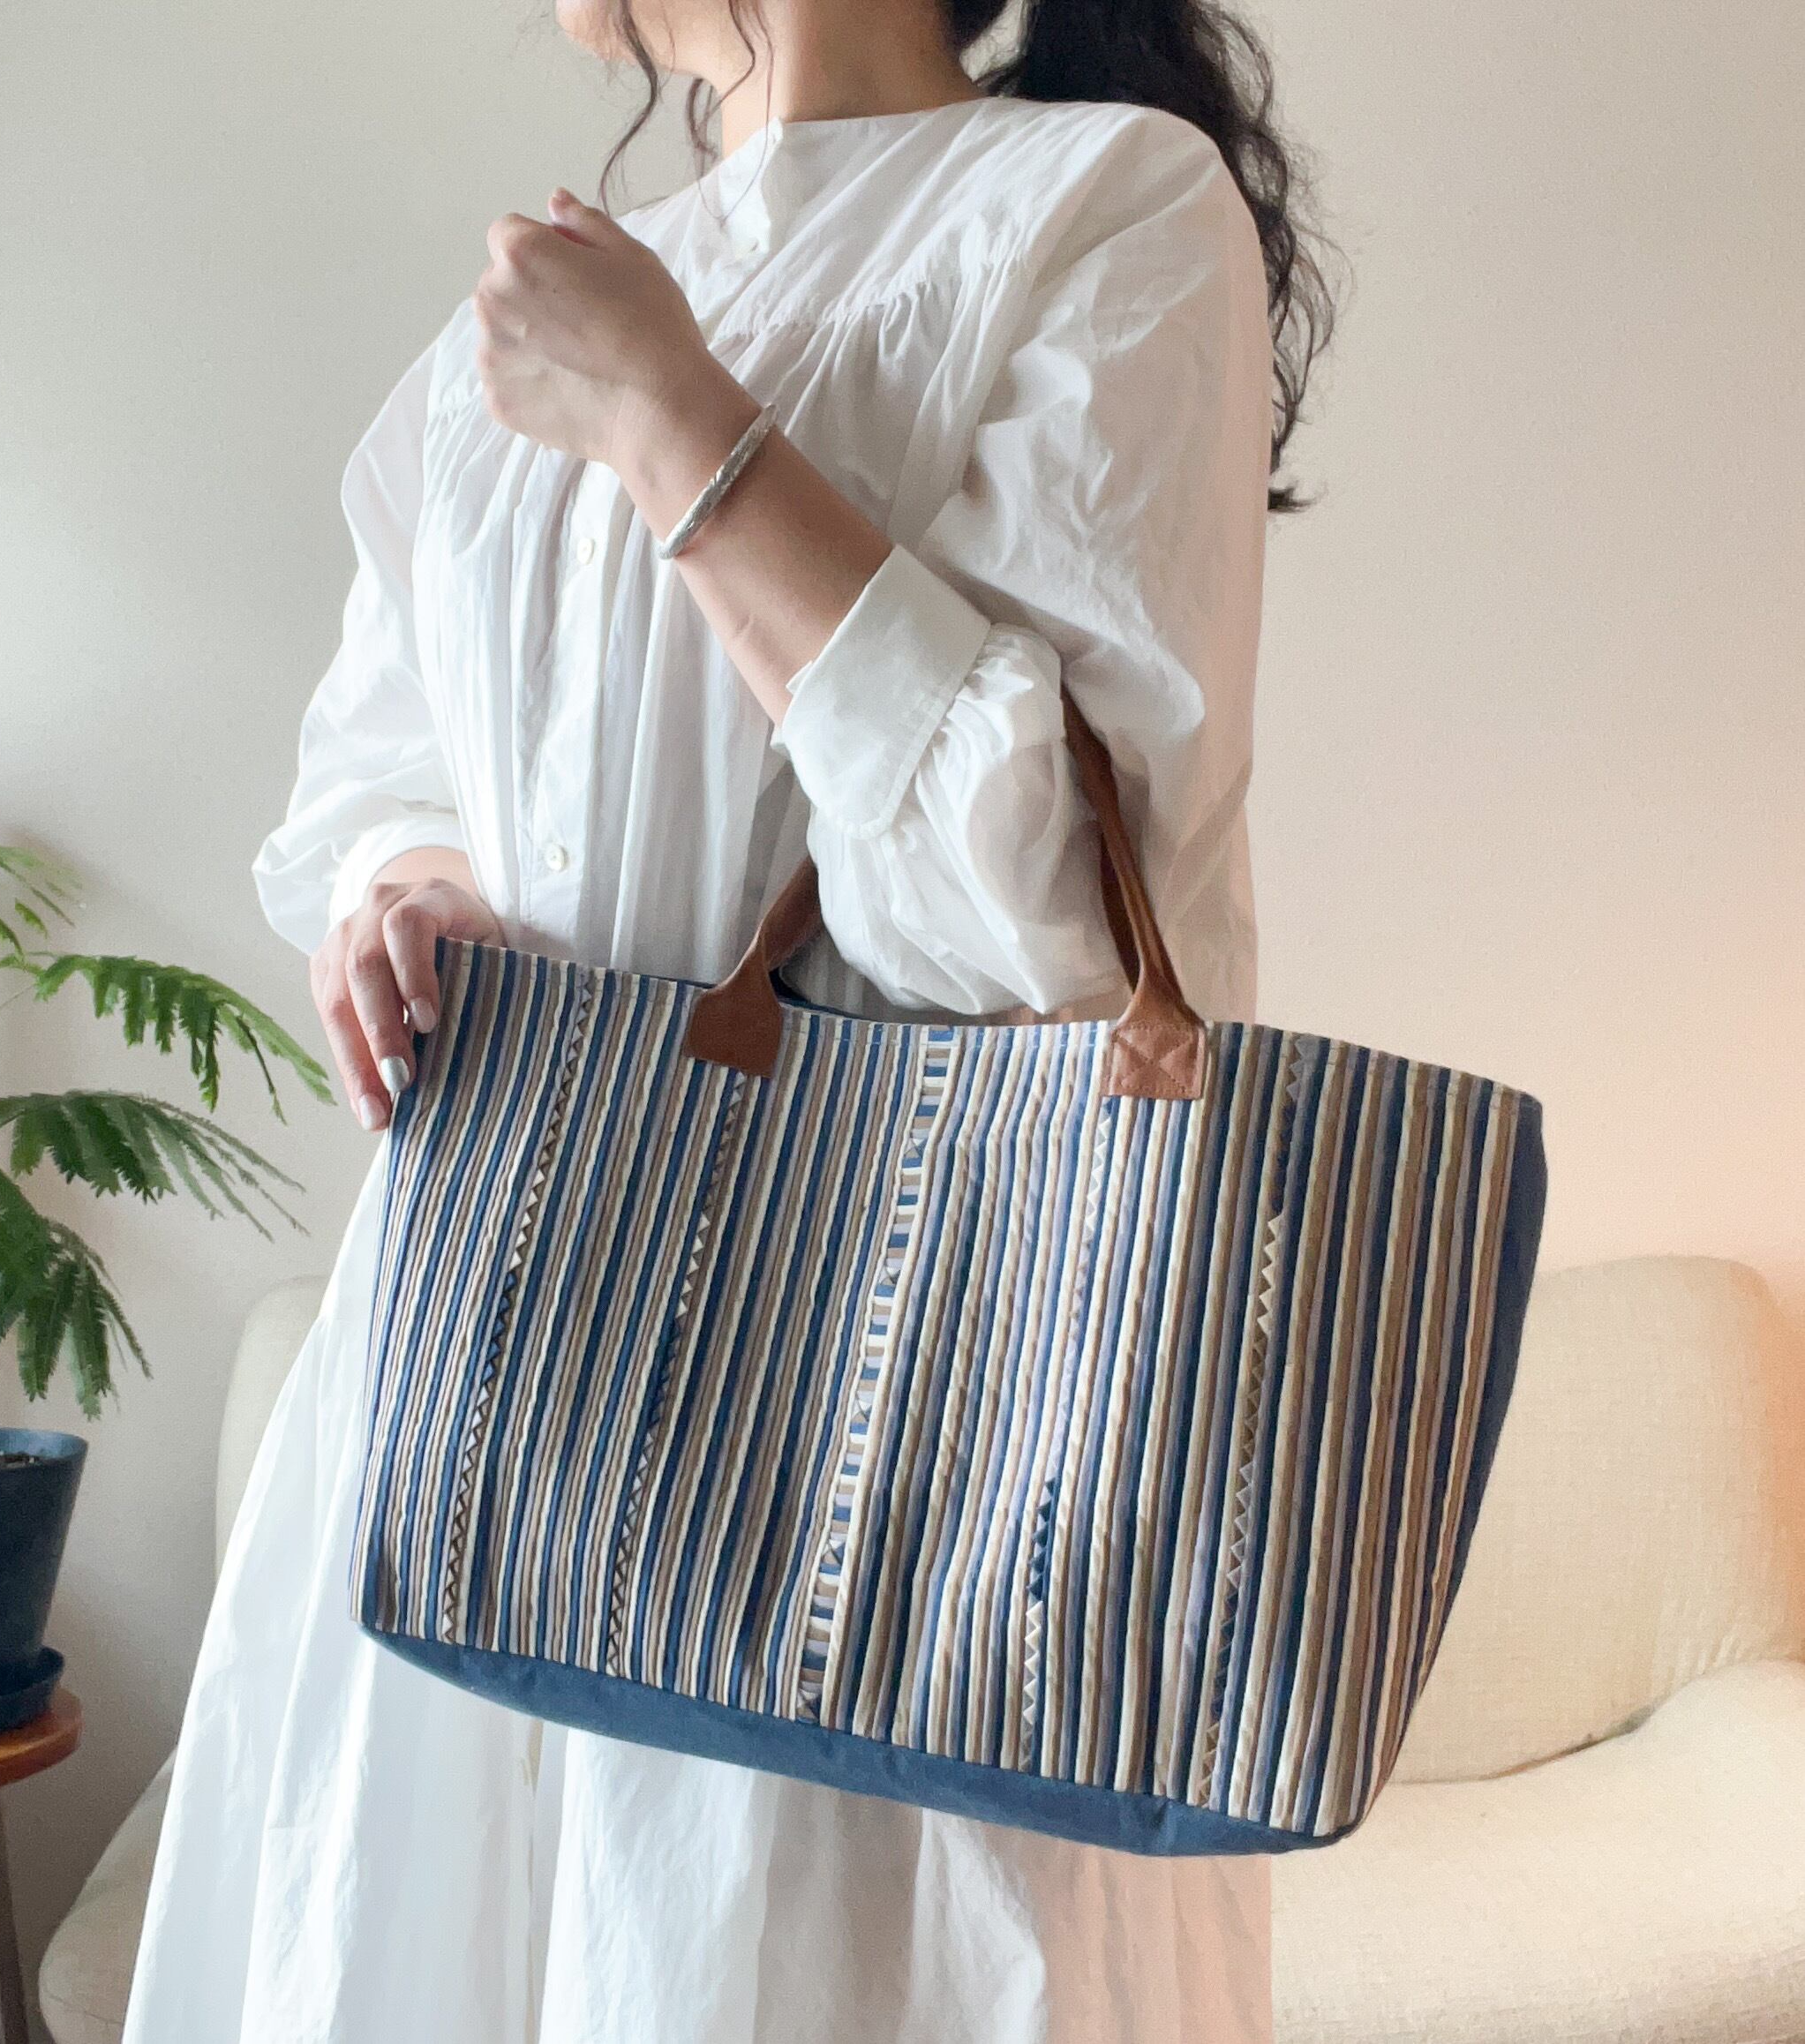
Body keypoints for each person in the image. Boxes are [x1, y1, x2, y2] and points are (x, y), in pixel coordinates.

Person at [124, 0, 1335, 2032]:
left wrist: (675, 422)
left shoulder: (1101, 203)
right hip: (482, 1378)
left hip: (882, 1429)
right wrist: (404, 884)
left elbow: (1048, 919)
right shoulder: (528, 317)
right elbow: (380, 764)